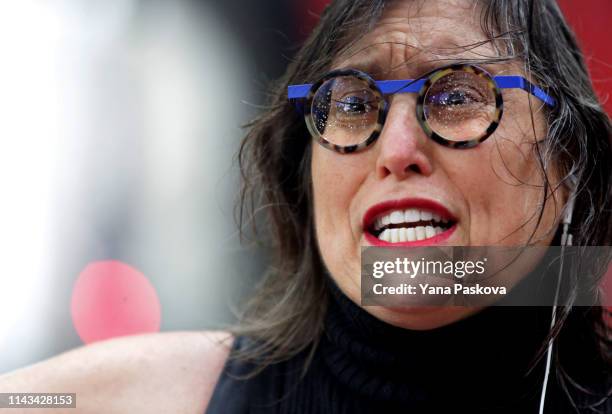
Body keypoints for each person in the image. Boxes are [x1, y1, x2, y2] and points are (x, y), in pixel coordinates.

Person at [0, 0, 609, 413]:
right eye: (349, 104)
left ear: (568, 154)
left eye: (455, 94)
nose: (397, 150)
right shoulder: (137, 396)